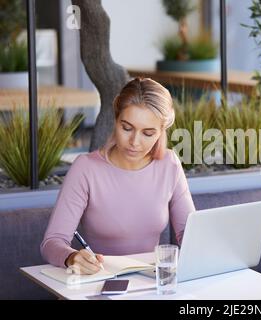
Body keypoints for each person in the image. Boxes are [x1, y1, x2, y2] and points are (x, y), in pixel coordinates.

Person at [40, 77, 195, 275]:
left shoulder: (169, 164)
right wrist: (71, 257)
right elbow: (52, 242)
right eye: (127, 128)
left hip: (149, 284)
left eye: (148, 133)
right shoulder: (86, 168)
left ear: (161, 131)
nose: (134, 142)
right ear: (116, 119)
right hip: (98, 284)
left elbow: (188, 235)